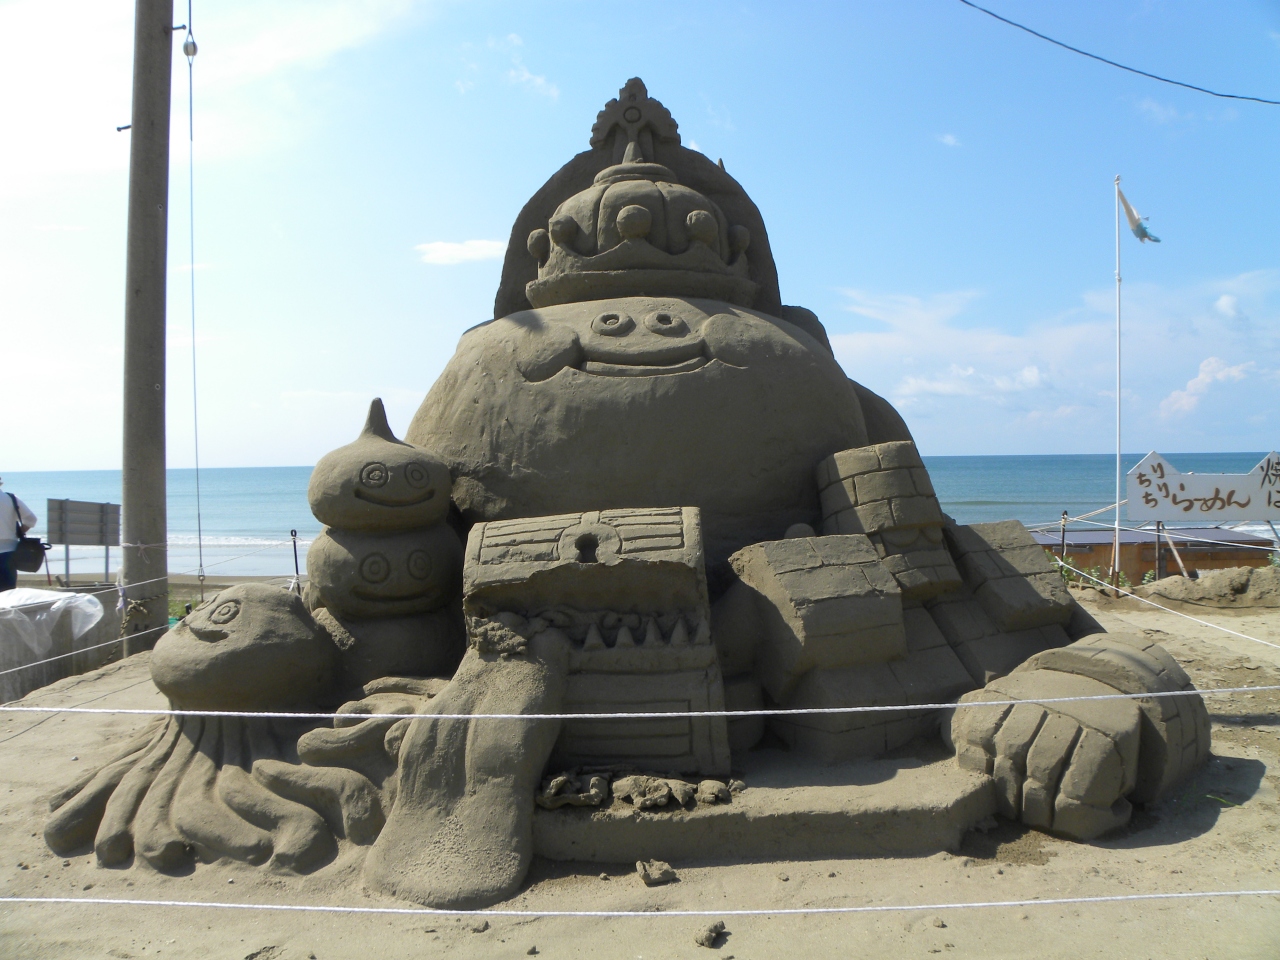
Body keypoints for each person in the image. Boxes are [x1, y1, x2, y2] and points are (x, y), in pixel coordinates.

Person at [0, 477, 38, 592]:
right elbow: (31, 519)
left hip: (8, 553)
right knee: (8, 593)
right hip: (9, 552)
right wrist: (20, 532)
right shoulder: (11, 499)